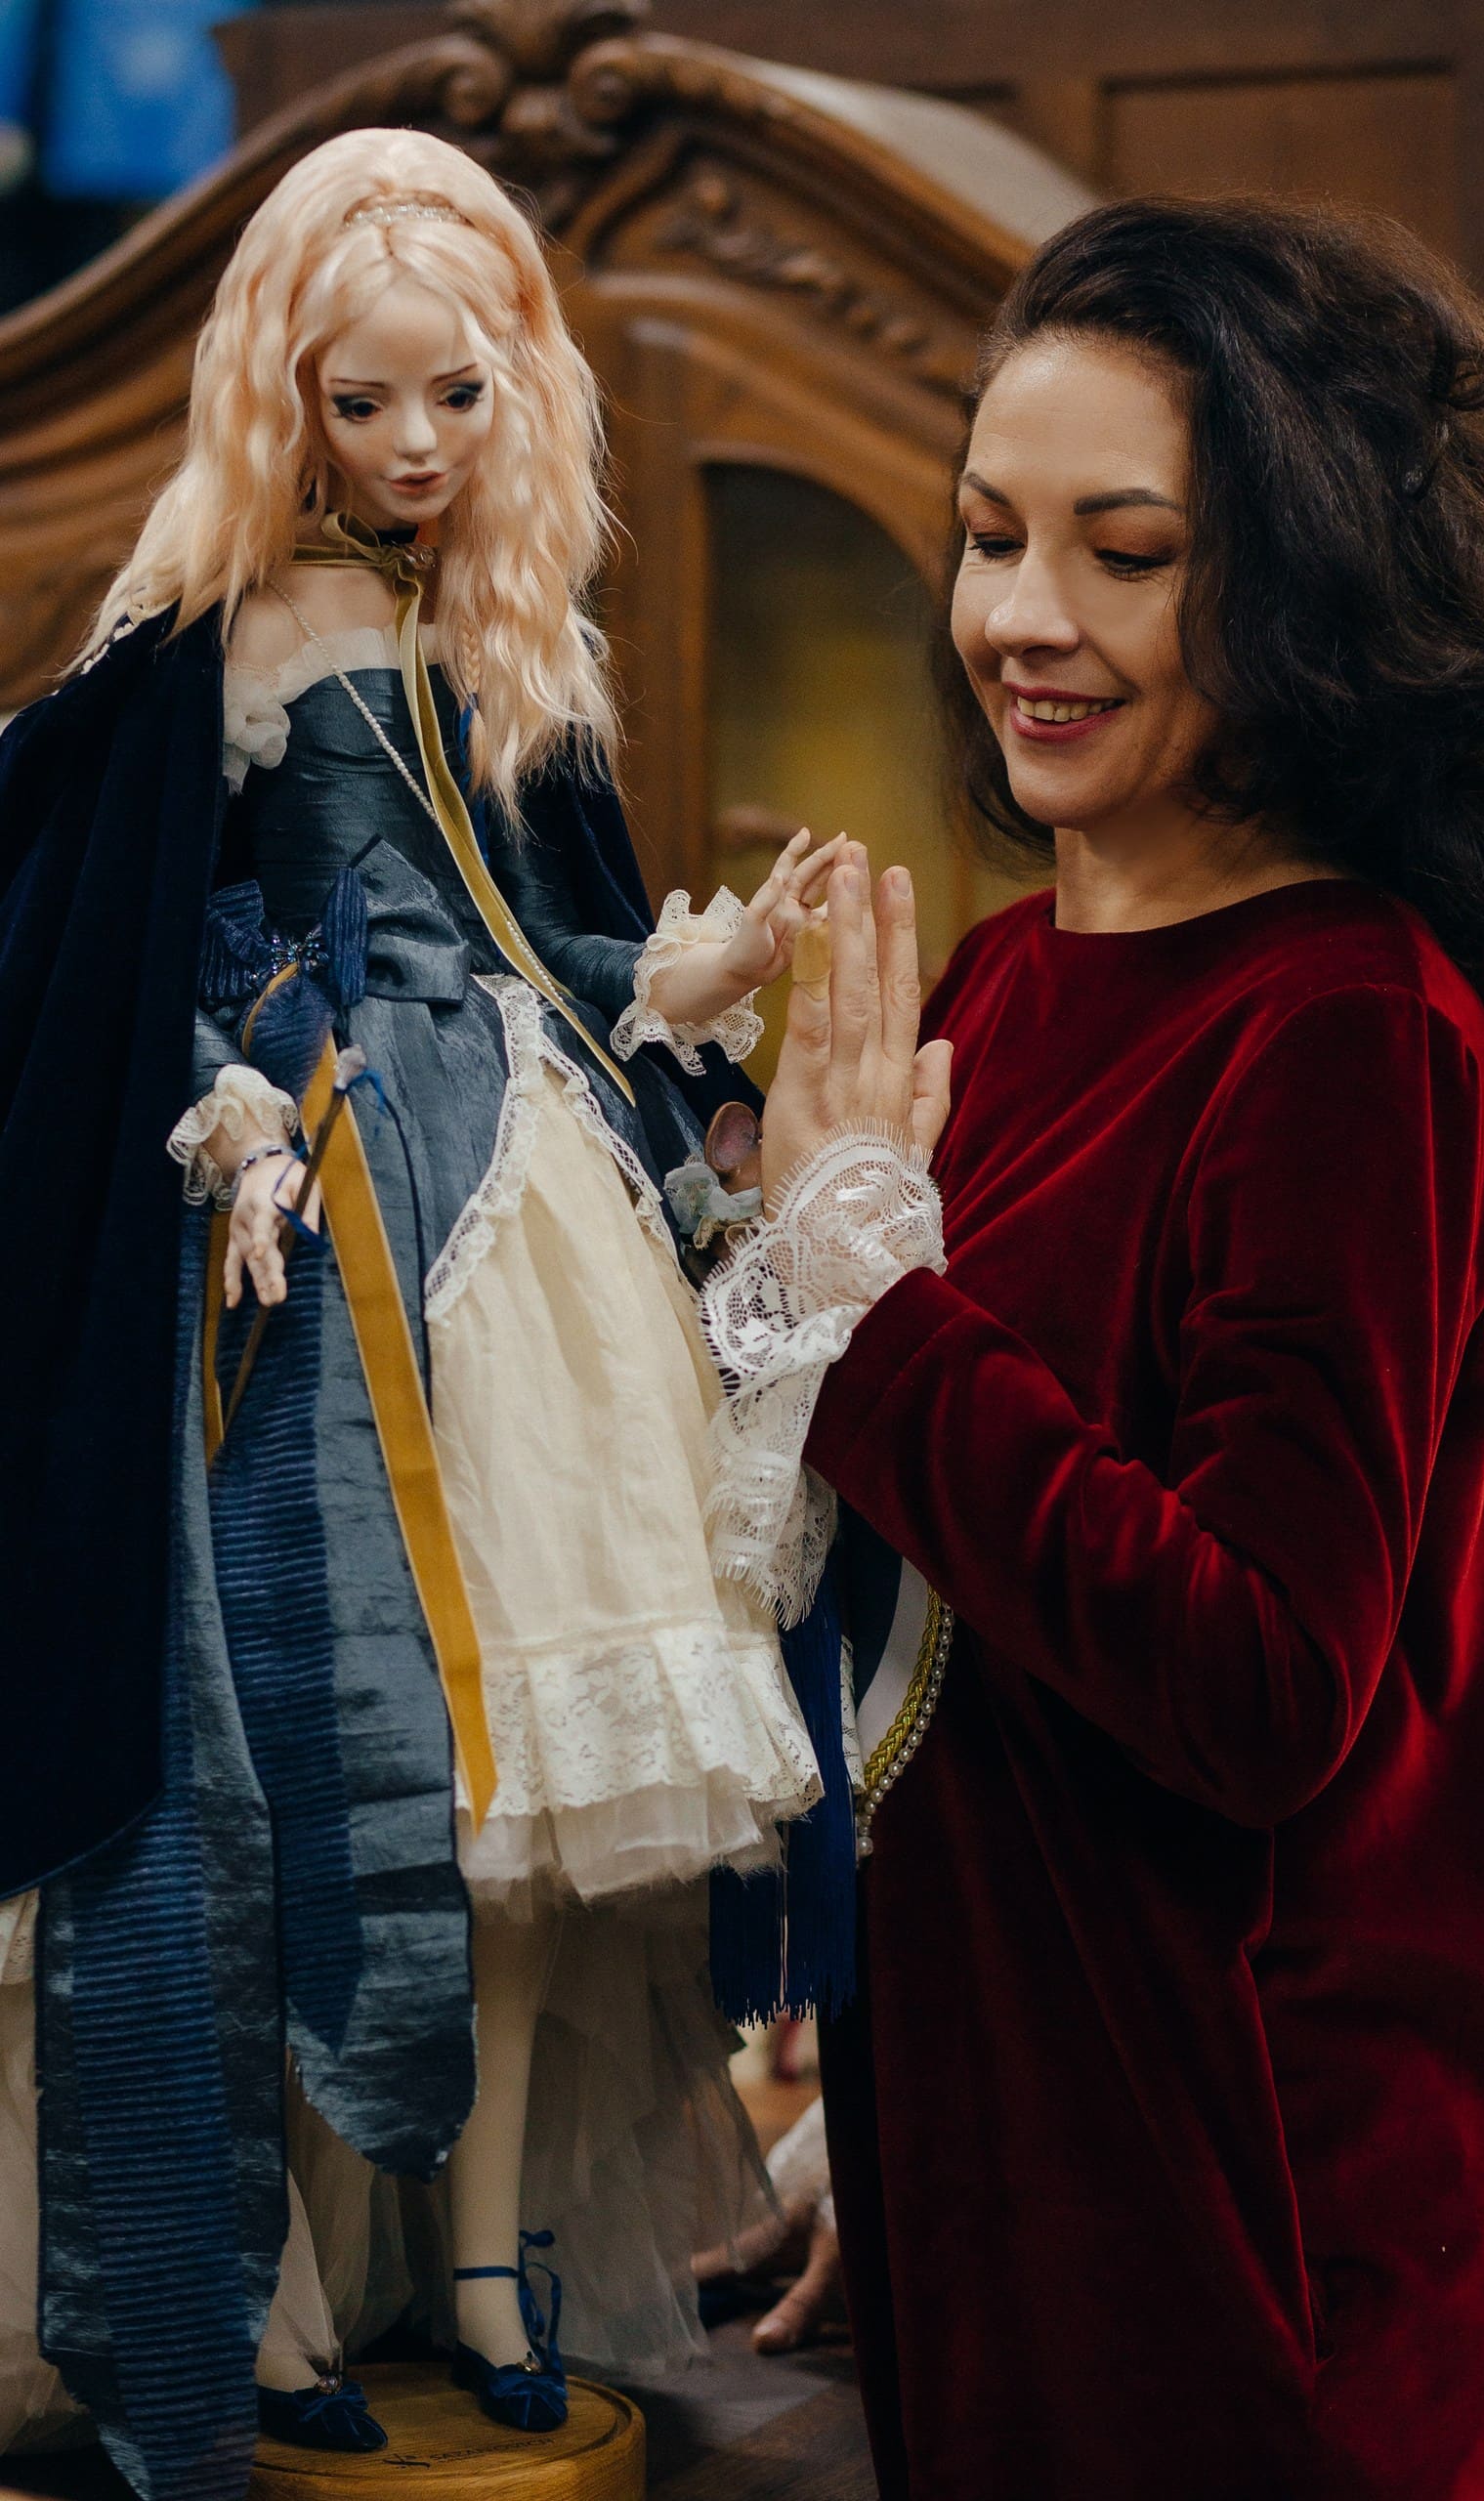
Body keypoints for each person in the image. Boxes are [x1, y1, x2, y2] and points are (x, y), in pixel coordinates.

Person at [700, 198, 1484, 2498]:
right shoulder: (1004, 982)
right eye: (987, 536)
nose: (1020, 617)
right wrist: (875, 2107)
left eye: (1122, 552)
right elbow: (924, 1606)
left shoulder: (1345, 1029)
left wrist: (865, 1300)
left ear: (1301, 590)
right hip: (1029, 2162)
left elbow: (1252, 1681)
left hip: (1280, 2243)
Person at [0, 125, 849, 2501]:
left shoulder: (502, 639)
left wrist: (676, 967)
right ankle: (266, 2278)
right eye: (359, 401)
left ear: (513, 389)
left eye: (452, 398)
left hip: (531, 1203)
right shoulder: (208, 650)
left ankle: (483, 2267)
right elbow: (117, 951)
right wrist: (227, 1109)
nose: (406, 445)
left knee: (528, 1820)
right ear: (280, 395)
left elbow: (534, 930)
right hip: (328, 1230)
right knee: (303, 1756)